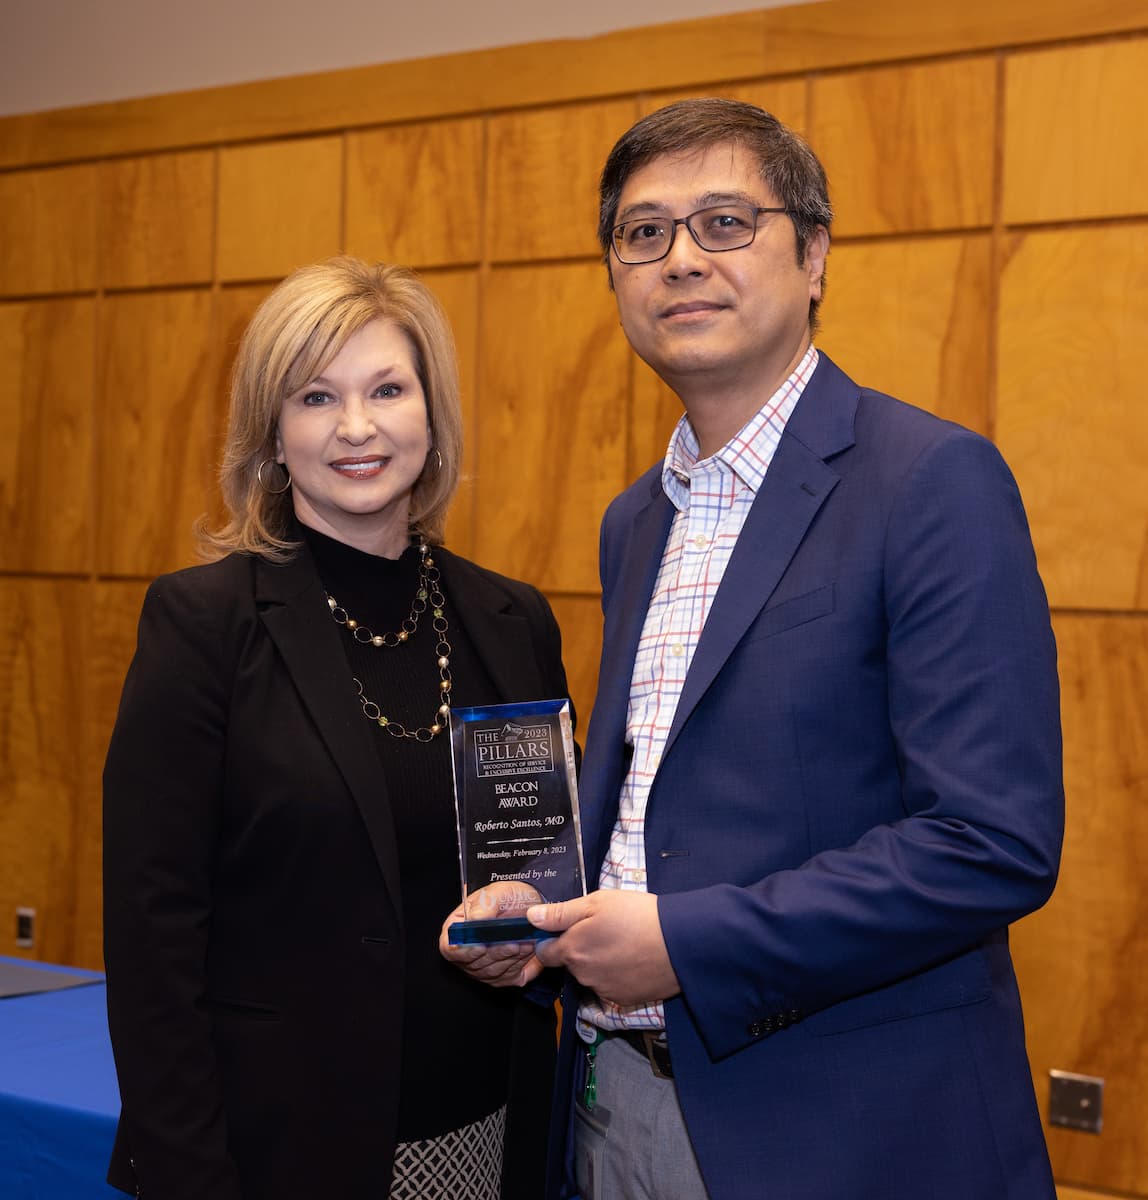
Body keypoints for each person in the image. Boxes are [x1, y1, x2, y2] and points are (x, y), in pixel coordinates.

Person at [444, 99, 1064, 1199]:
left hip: (842, 1131)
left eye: (724, 221)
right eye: (642, 234)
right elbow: (658, 810)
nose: (679, 259)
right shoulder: (637, 517)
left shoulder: (928, 481)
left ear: (813, 254)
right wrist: (536, 915)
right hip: (609, 1099)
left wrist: (689, 942)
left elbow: (990, 841)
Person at [103, 257, 570, 1200]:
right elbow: (153, 936)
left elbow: (548, 865)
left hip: (490, 1127)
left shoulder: (512, 621)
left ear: (431, 416)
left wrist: (539, 934)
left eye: (387, 389)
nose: (356, 428)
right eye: (316, 397)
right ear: (273, 435)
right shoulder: (204, 624)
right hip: (276, 1149)